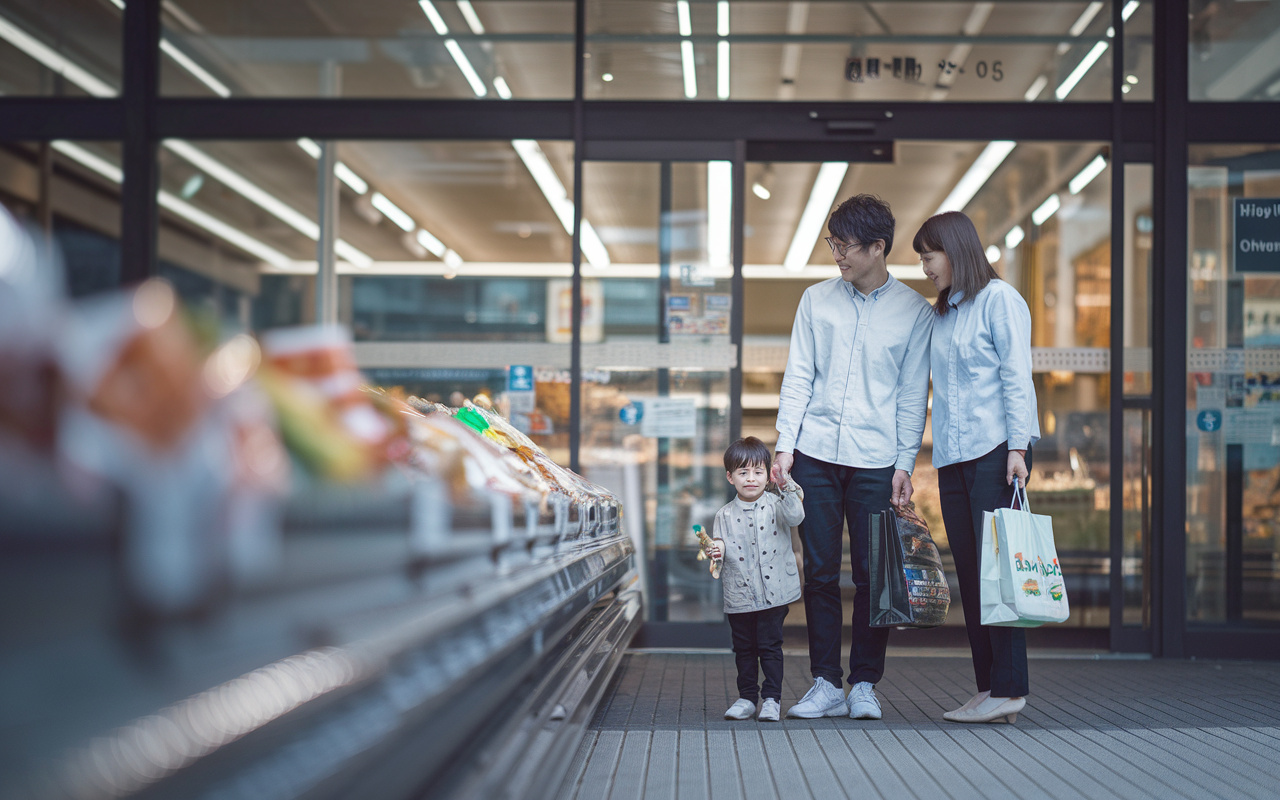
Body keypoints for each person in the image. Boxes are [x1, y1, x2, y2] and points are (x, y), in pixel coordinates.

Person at [772, 194, 933, 720]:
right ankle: (824, 682)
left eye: (845, 246)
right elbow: (798, 377)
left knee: (872, 574)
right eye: (833, 243)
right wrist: (784, 445)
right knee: (819, 572)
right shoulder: (816, 300)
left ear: (877, 248)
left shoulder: (914, 312)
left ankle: (864, 683)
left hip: (875, 459)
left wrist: (904, 463)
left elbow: (913, 396)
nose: (837, 255)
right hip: (815, 454)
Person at [914, 210, 1040, 724]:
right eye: (921, 258)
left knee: (999, 573)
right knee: (971, 573)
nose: (924, 267)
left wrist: (1018, 448)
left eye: (930, 256)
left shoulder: (1000, 300)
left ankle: (1010, 688)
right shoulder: (943, 313)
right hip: (952, 459)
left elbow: (1016, 377)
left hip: (995, 453)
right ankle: (989, 687)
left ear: (956, 249)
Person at [706, 437, 805, 722]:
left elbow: (796, 517)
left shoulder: (778, 503)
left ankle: (772, 699)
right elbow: (721, 545)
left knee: (770, 646)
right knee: (744, 648)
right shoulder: (723, 514)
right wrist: (717, 549)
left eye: (758, 472)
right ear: (730, 477)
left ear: (767, 474)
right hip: (740, 594)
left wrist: (786, 486)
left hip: (774, 591)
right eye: (743, 472)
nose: (751, 478)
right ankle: (747, 698)